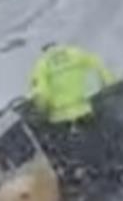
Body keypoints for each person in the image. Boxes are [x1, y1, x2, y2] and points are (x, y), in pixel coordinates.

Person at [28, 42, 116, 181]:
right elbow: (101, 68)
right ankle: (106, 175)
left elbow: (42, 94)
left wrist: (41, 112)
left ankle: (78, 180)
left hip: (60, 120)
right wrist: (111, 89)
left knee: (69, 157)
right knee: (96, 147)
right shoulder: (77, 53)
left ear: (45, 49)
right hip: (86, 110)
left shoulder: (42, 64)